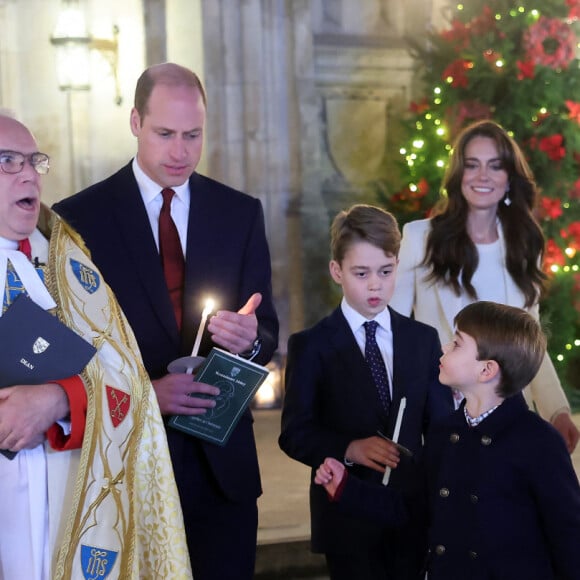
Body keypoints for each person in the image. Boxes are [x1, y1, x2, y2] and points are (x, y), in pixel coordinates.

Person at [53, 62, 279, 580]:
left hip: (222, 468)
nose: (180, 151)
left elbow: (266, 330)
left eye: (193, 135)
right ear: (135, 121)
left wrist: (248, 340)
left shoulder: (239, 212)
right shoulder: (80, 218)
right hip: (127, 462)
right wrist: (147, 391)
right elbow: (71, 349)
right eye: (165, 134)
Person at [0, 113, 191, 579]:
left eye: (33, 161)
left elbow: (125, 374)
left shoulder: (65, 266)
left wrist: (59, 399)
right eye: (8, 161)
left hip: (73, 502)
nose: (28, 174)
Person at [315, 301, 580, 579]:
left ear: (486, 370)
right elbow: (412, 508)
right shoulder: (444, 432)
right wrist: (346, 488)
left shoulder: (538, 441)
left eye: (456, 344)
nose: (444, 348)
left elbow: (568, 533)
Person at [279, 204, 453, 580]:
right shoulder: (311, 345)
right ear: (336, 271)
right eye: (361, 273)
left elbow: (439, 425)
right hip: (346, 519)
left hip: (411, 512)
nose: (375, 284)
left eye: (386, 272)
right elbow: (295, 433)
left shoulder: (422, 340)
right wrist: (349, 448)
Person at [389, 119, 580, 453]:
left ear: (509, 179)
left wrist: (557, 410)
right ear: (458, 175)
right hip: (440, 415)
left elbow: (529, 339)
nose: (482, 176)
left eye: (495, 166)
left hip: (509, 419)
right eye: (472, 165)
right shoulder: (421, 238)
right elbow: (394, 331)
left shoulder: (524, 245)